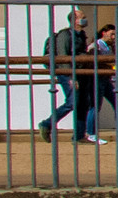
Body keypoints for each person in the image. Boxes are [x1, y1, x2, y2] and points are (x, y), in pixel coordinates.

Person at [37, 9, 97, 143]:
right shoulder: (65, 35)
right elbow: (63, 56)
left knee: (83, 104)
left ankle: (79, 136)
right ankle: (47, 124)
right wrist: (71, 77)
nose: (85, 19)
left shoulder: (81, 34)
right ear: (74, 20)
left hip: (82, 73)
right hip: (69, 73)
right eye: (82, 17)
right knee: (72, 102)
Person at [87, 24, 118, 143]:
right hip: (97, 78)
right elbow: (92, 61)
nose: (113, 37)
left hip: (107, 79)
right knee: (95, 106)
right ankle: (91, 134)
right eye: (111, 34)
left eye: (115, 35)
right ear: (104, 33)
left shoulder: (113, 46)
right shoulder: (96, 45)